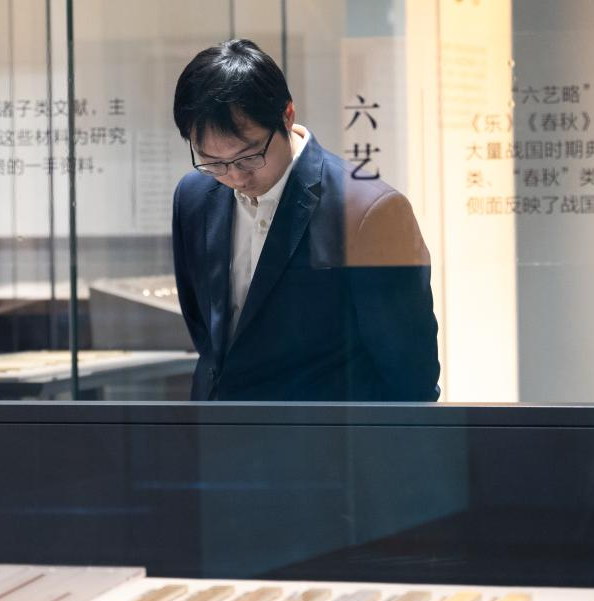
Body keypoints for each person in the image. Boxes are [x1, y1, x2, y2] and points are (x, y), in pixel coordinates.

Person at [171, 39, 440, 401]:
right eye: (212, 161)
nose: (234, 175)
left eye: (248, 157)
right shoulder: (194, 196)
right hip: (218, 428)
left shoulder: (368, 211)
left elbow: (410, 373)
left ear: (287, 115)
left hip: (325, 433)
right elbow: (207, 333)